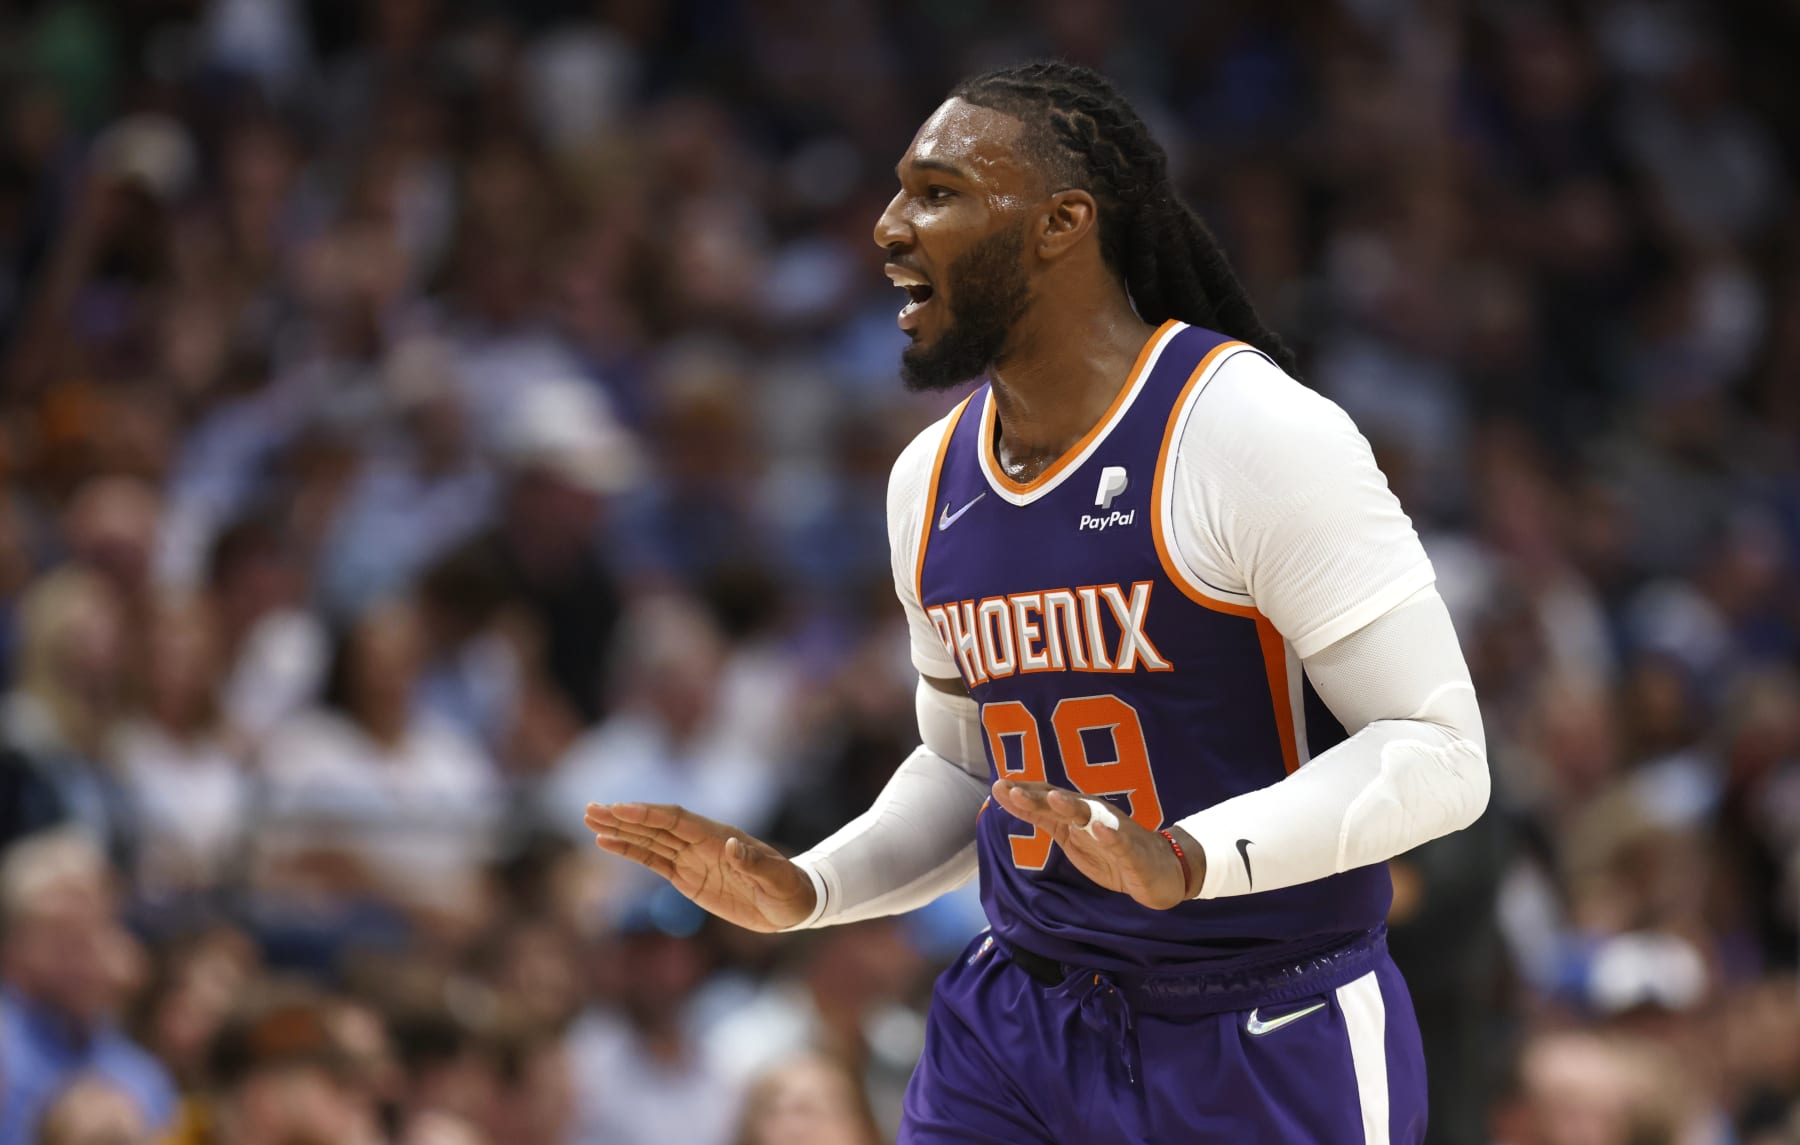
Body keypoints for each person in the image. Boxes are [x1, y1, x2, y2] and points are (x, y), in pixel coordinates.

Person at [585, 61, 1490, 1144]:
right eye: (897, 191)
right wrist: (813, 886)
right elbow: (970, 766)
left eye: (937, 192)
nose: (888, 226)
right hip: (1014, 1023)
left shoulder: (1249, 431)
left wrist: (1188, 857)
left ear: (1063, 222)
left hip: (1258, 1020)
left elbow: (1439, 749)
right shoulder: (927, 479)